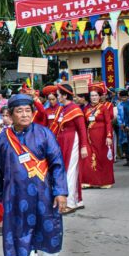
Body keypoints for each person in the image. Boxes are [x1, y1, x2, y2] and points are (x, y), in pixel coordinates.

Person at [0, 94, 68, 256]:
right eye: (19, 111)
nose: (24, 115)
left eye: (28, 111)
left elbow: (57, 164)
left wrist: (60, 192)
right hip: (15, 198)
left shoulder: (44, 134)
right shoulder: (3, 137)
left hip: (44, 197)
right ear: (11, 115)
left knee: (46, 236)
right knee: (17, 238)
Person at [49, 84, 89, 214]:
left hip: (73, 141)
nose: (57, 97)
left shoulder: (75, 109)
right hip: (62, 142)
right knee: (64, 170)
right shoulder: (62, 109)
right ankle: (77, 200)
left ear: (65, 95)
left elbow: (82, 129)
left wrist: (83, 146)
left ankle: (71, 202)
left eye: (59, 94)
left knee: (71, 171)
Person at [81, 83, 115, 188]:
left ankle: (105, 181)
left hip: (102, 137)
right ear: (89, 97)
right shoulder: (85, 109)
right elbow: (83, 123)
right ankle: (90, 181)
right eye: (92, 96)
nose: (94, 98)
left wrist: (109, 136)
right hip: (89, 137)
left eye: (96, 95)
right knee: (88, 159)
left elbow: (108, 123)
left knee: (102, 158)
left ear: (99, 96)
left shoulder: (104, 108)